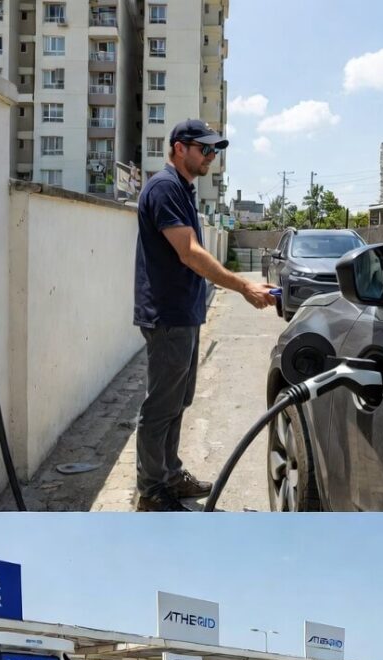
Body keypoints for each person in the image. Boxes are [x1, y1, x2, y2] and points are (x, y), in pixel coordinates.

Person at [133, 118, 276, 512]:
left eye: (215, 150)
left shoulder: (181, 189)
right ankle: (151, 490)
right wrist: (244, 286)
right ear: (180, 148)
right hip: (167, 315)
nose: (212, 156)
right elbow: (190, 251)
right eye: (205, 149)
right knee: (160, 406)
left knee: (177, 402)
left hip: (183, 313)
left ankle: (169, 473)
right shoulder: (164, 187)